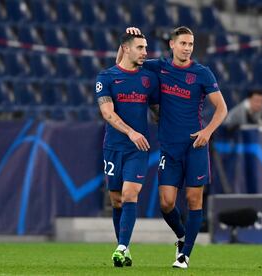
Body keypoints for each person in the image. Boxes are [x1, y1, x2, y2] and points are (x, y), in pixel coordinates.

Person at [121, 26, 228, 269]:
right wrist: (126, 40)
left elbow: (222, 108)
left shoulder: (203, 73)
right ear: (172, 45)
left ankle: (185, 256)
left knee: (193, 199)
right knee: (166, 203)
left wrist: (208, 132)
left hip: (195, 146)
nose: (188, 48)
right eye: (183, 43)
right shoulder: (158, 67)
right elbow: (125, 63)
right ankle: (182, 237)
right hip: (169, 148)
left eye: (191, 44)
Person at [95, 32, 159, 267]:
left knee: (130, 194)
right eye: (140, 47)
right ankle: (124, 247)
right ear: (126, 48)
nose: (145, 52)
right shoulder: (106, 77)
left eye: (146, 47)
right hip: (113, 147)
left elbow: (156, 111)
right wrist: (130, 131)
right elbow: (107, 113)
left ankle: (121, 247)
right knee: (116, 200)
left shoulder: (148, 79)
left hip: (138, 148)